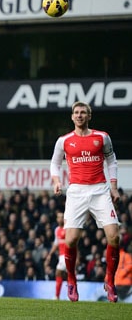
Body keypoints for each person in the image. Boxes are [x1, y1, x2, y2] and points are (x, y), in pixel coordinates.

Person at [50, 101, 121, 303]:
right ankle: (71, 280)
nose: (79, 115)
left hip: (100, 190)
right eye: (76, 112)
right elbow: (55, 163)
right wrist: (56, 181)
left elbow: (111, 159)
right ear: (72, 117)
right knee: (71, 240)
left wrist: (113, 187)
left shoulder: (102, 137)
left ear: (89, 116)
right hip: (76, 192)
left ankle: (110, 281)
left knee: (114, 236)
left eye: (83, 112)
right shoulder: (64, 141)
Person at [44, 211, 66, 300]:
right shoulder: (57, 230)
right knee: (66, 275)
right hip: (61, 256)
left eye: (62, 217)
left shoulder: (68, 229)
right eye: (58, 217)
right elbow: (56, 243)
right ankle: (71, 292)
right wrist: (50, 254)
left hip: (67, 255)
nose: (60, 219)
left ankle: (57, 296)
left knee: (58, 271)